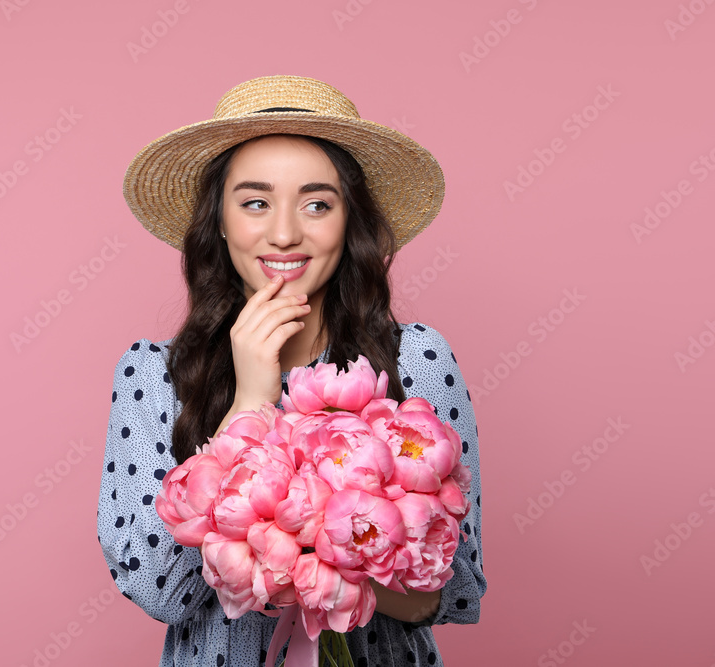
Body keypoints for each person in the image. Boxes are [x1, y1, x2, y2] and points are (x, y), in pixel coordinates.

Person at [97, 75, 486, 667]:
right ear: (220, 220)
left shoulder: (417, 360)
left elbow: (457, 587)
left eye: (316, 204)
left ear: (348, 220)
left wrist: (324, 560)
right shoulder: (153, 377)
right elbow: (158, 587)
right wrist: (249, 405)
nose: (283, 233)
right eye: (255, 202)